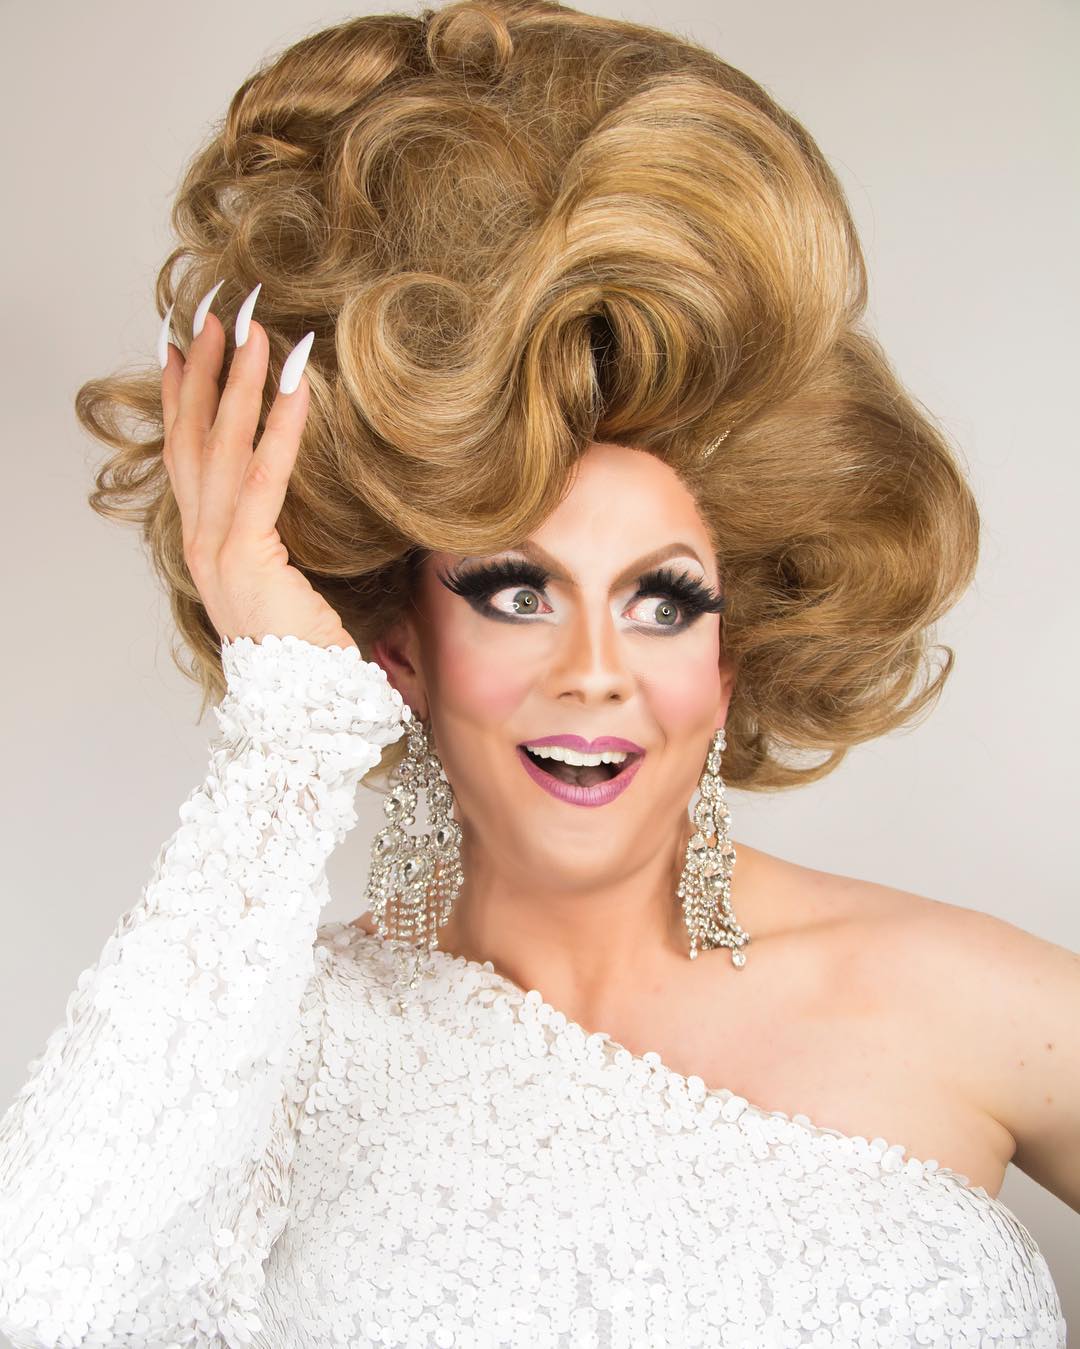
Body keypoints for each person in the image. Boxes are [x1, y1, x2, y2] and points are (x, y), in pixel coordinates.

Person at [0, 0, 1074, 1344]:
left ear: (732, 661)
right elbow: (42, 1305)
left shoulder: (966, 1000)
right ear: (399, 646)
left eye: (665, 602)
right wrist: (282, 724)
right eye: (517, 591)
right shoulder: (283, 1045)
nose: (596, 672)